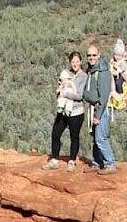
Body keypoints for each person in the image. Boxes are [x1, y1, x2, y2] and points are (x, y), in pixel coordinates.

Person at [43, 51, 87, 172]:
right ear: (70, 62)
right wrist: (60, 90)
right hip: (63, 111)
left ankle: (72, 160)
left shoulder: (83, 77)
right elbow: (60, 86)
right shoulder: (66, 73)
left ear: (81, 62)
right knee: (55, 133)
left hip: (76, 112)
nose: (75, 64)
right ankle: (54, 160)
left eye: (77, 61)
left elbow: (80, 96)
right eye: (73, 62)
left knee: (74, 137)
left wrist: (65, 93)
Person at [82, 44, 117, 175]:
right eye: (89, 55)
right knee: (95, 137)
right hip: (95, 108)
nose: (91, 58)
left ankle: (110, 163)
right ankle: (97, 163)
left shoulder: (103, 72)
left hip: (101, 110)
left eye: (94, 55)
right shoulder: (92, 70)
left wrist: (97, 115)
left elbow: (103, 96)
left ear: (99, 55)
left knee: (101, 138)